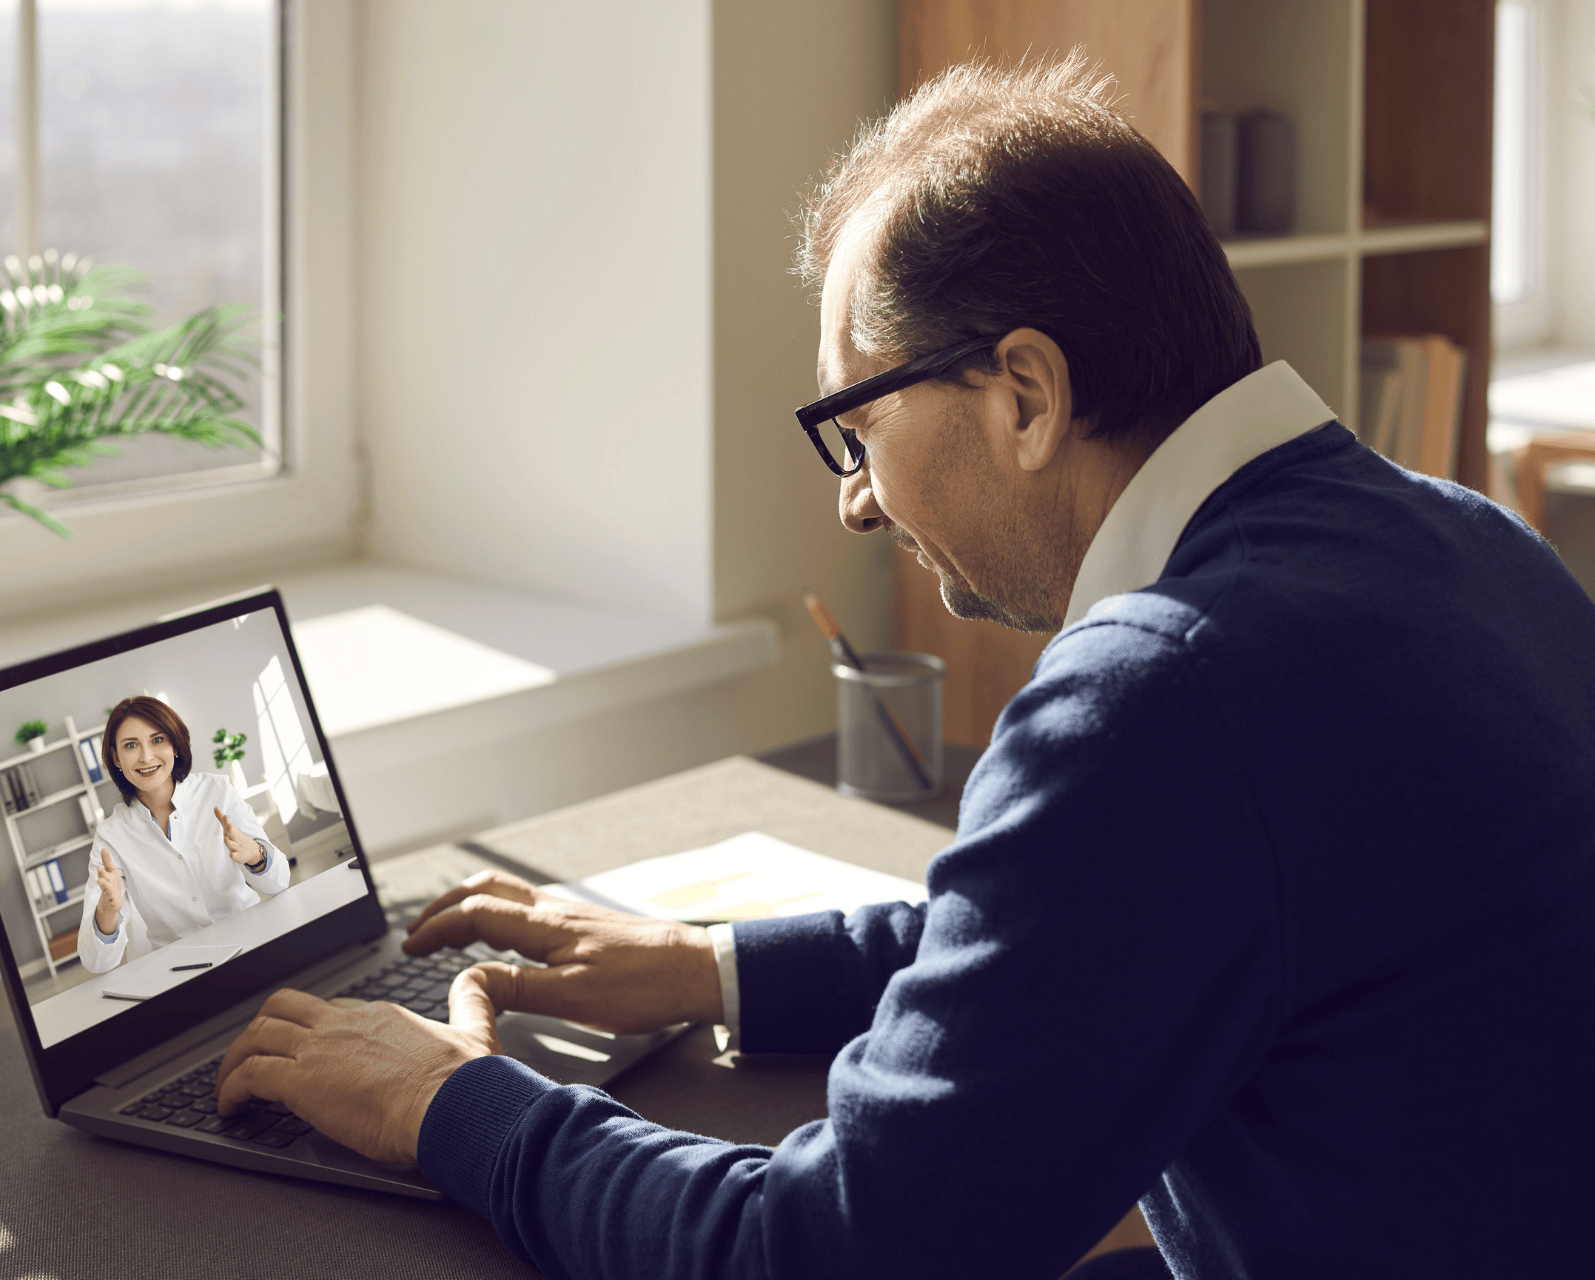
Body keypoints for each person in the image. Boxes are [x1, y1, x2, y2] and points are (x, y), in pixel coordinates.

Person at [212, 55, 1595, 1279]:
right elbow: (1093, 935)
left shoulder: (1165, 690)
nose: (856, 503)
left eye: (858, 425)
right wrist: (714, 970)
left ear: (1026, 395)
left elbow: (820, 1253)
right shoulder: (1462, 540)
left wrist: (452, 1105)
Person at [78, 695, 289, 973]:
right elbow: (97, 963)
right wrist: (107, 911)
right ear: (116, 757)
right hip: (182, 970)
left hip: (252, 943)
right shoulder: (111, 837)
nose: (146, 756)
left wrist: (256, 855)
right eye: (131, 745)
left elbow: (279, 883)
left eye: (157, 740)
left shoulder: (218, 792)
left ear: (175, 745)